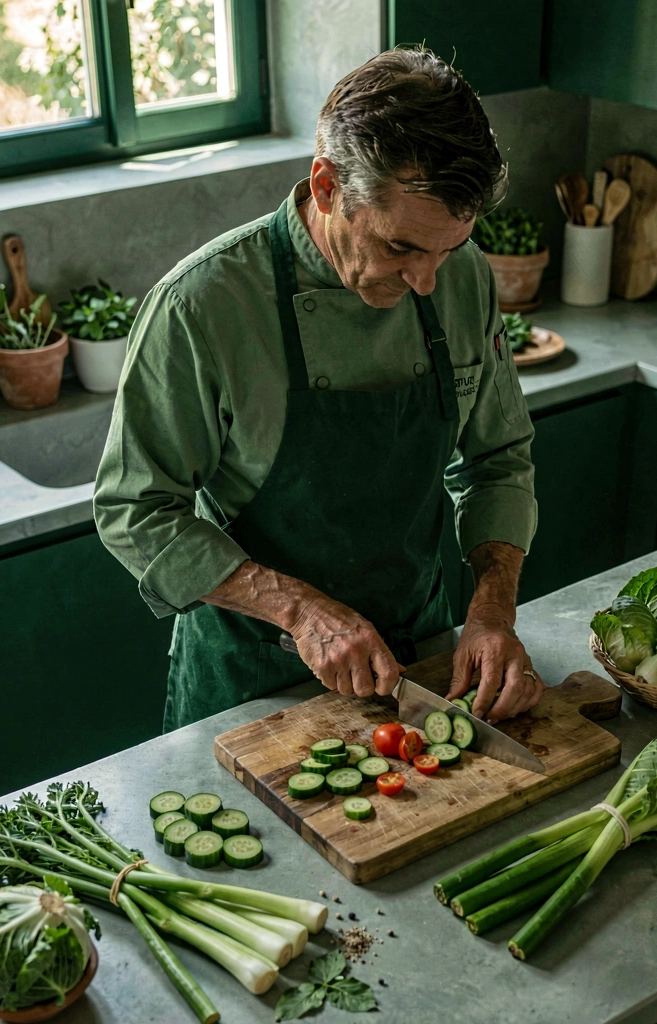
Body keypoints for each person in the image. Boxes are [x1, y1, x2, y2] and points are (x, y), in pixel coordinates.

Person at [94, 47, 545, 733]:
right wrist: (299, 609)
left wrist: (490, 612)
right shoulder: (201, 305)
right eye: (400, 249)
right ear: (328, 185)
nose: (427, 280)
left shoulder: (463, 277)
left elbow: (497, 460)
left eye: (447, 250)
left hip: (421, 661)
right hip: (249, 686)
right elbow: (134, 509)